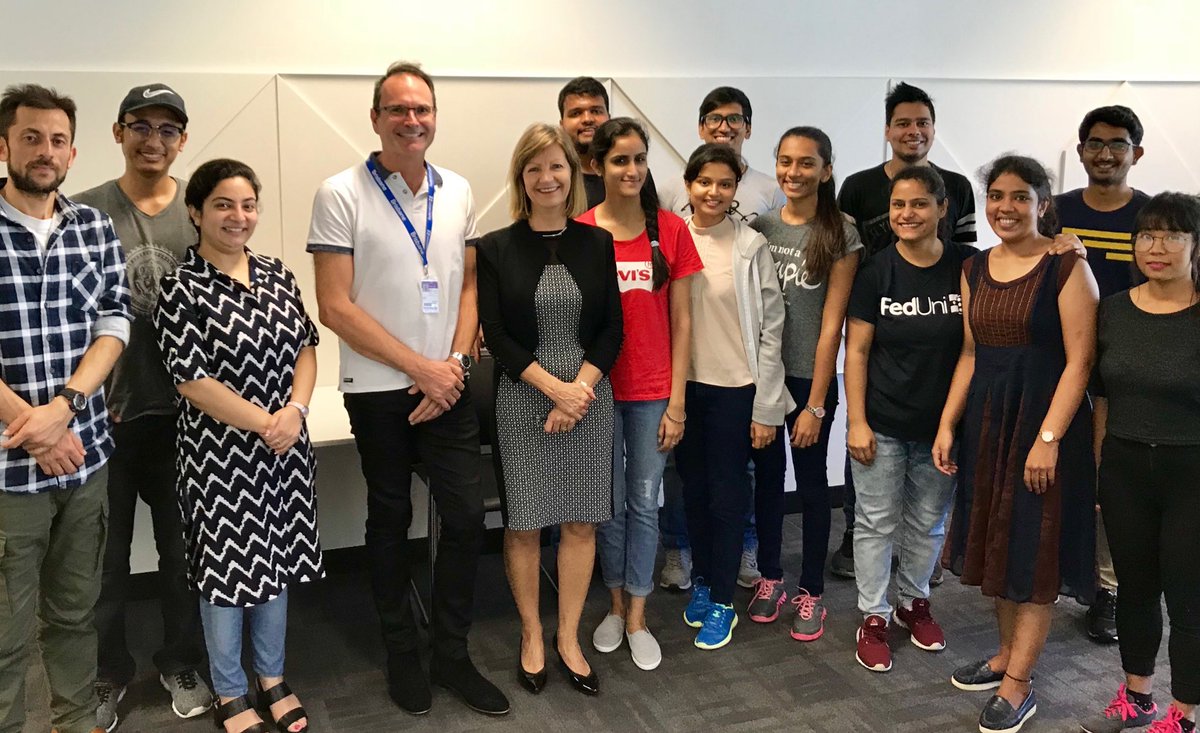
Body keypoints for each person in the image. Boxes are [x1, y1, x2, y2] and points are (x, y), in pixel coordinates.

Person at [307, 61, 508, 716]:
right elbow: (335, 306)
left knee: (467, 516)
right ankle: (401, 647)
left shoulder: (458, 190)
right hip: (377, 389)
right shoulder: (340, 193)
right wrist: (419, 369)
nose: (412, 120)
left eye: (422, 109)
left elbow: (469, 284)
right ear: (375, 118)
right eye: (398, 109)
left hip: (447, 383)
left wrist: (450, 363)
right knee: (390, 514)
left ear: (434, 117)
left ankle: (451, 651)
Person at [153, 159, 320, 733]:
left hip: (284, 446)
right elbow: (191, 380)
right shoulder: (180, 287)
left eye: (248, 204)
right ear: (196, 212)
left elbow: (306, 347)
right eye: (224, 204)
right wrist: (266, 423)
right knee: (225, 574)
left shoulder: (277, 273)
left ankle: (271, 679)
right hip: (219, 458)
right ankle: (229, 689)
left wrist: (294, 411)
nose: (238, 215)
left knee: (274, 564)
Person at [935, 155, 1098, 733]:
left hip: (1042, 425)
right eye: (997, 196)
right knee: (999, 543)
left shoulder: (1066, 268)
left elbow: (1081, 362)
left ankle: (1020, 685)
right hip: (987, 422)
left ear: (1043, 203)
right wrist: (948, 423)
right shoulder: (975, 268)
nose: (1006, 207)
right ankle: (1007, 655)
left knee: (1032, 550)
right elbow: (971, 353)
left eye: (1021, 197)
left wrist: (1048, 439)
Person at [73, 83, 211, 731]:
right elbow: (63, 316)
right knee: (105, 562)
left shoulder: (202, 209)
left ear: (181, 139)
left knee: (184, 555)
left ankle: (180, 661)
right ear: (118, 131)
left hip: (187, 422)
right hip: (108, 419)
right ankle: (108, 672)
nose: (152, 139)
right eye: (140, 126)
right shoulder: (83, 211)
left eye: (167, 128)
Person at [0, 82, 131, 733]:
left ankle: (75, 723)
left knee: (76, 615)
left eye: (56, 140)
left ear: (72, 151)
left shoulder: (94, 227)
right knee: (5, 636)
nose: (45, 151)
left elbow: (115, 321)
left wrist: (67, 404)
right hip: (8, 474)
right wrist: (37, 428)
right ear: (5, 145)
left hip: (85, 463)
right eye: (31, 137)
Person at [477, 123, 623, 695]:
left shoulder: (598, 243)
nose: (546, 178)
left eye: (556, 167)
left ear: (572, 173)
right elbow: (496, 336)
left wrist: (578, 390)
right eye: (534, 168)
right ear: (521, 177)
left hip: (588, 395)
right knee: (525, 525)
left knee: (581, 520)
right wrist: (554, 391)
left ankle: (568, 636)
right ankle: (532, 635)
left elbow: (612, 329)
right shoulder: (495, 247)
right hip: (523, 398)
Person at [833, 81, 977, 580]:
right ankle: (858, 543)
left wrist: (1056, 244)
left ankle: (918, 579)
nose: (913, 131)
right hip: (880, 324)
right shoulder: (857, 186)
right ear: (888, 130)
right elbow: (847, 258)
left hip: (937, 356)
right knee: (872, 488)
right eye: (903, 122)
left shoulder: (956, 186)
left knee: (927, 514)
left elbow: (976, 265)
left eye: (922, 122)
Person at [578, 118, 702, 662]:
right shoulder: (581, 230)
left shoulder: (671, 230)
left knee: (645, 504)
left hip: (653, 392)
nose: (631, 170)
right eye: (619, 160)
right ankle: (611, 604)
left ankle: (638, 614)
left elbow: (684, 323)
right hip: (596, 391)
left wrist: (677, 402)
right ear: (598, 166)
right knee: (608, 506)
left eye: (639, 159)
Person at [657, 86, 787, 594]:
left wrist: (767, 406)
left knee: (729, 494)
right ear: (687, 184)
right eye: (704, 182)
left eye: (725, 183)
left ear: (738, 188)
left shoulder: (753, 245)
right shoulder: (669, 239)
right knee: (693, 490)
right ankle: (706, 579)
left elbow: (771, 329)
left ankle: (722, 599)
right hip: (683, 388)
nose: (713, 192)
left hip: (736, 388)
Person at [1078, 192, 1200, 733]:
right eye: (1147, 235)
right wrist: (1103, 466)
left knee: (1188, 596)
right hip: (1126, 465)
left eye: (1173, 235)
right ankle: (1137, 696)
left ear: (1195, 246)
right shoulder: (1114, 309)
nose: (1157, 247)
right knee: (1135, 587)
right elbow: (1101, 396)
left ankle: (1185, 712)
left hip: (1192, 471)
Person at [844, 166, 969, 672]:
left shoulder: (967, 266)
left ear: (942, 208)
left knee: (927, 522)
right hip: (884, 421)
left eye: (919, 204)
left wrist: (1061, 243)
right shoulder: (876, 271)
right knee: (875, 522)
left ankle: (913, 602)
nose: (907, 214)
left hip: (944, 425)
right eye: (899, 205)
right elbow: (856, 352)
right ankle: (873, 616)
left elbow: (971, 350)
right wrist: (857, 421)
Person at [753, 126, 862, 643]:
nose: (793, 172)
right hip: (762, 377)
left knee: (813, 485)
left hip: (808, 380)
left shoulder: (840, 230)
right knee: (768, 481)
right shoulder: (762, 227)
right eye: (785, 161)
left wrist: (816, 404)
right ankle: (771, 577)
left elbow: (831, 326)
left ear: (826, 169)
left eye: (805, 163)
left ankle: (811, 590)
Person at [1055, 105, 1150, 645]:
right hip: (1064, 360)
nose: (1106, 153)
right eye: (1095, 143)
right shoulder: (1058, 211)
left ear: (1137, 152)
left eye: (1118, 144)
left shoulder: (1154, 216)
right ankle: (1065, 575)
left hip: (1127, 362)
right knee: (1062, 471)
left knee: (1110, 476)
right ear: (1082, 148)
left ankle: (1110, 589)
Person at [557, 77, 655, 209]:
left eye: (596, 111)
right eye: (576, 113)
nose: (587, 119)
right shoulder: (554, 178)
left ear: (608, 117)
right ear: (562, 125)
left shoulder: (635, 174)